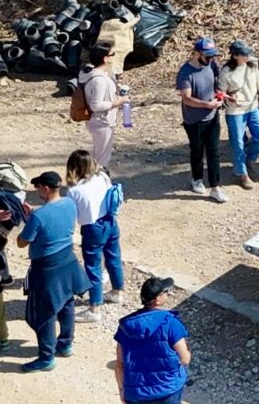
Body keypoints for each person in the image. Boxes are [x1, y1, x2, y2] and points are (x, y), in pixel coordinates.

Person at [14, 171, 80, 371]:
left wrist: (30, 219)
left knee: (43, 313)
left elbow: (21, 242)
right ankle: (66, 344)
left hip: (46, 268)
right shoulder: (70, 203)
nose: (36, 191)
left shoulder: (39, 216)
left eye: (37, 187)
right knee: (67, 303)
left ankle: (46, 357)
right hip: (68, 260)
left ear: (45, 188)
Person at [112, 277, 191, 404]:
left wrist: (122, 390)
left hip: (136, 393)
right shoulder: (171, 323)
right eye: (165, 292)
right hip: (168, 390)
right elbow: (185, 358)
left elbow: (120, 364)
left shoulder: (126, 326)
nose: (168, 294)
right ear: (157, 300)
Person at [66, 149, 123, 319]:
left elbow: (73, 214)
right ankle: (117, 291)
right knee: (113, 258)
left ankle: (94, 308)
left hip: (92, 228)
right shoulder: (102, 177)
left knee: (93, 266)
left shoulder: (74, 190)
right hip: (110, 221)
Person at [213, 41, 259, 188]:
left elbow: (258, 81)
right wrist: (228, 97)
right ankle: (242, 173)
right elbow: (220, 92)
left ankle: (250, 160)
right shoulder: (226, 72)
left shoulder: (252, 65)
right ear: (235, 55)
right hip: (235, 110)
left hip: (253, 106)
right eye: (244, 54)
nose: (248, 56)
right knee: (238, 142)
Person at [74, 47, 127, 170]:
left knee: (98, 154)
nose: (114, 57)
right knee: (102, 159)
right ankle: (99, 183)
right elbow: (96, 105)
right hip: (102, 122)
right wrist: (117, 102)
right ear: (105, 58)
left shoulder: (91, 75)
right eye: (112, 54)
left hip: (96, 121)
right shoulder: (99, 80)